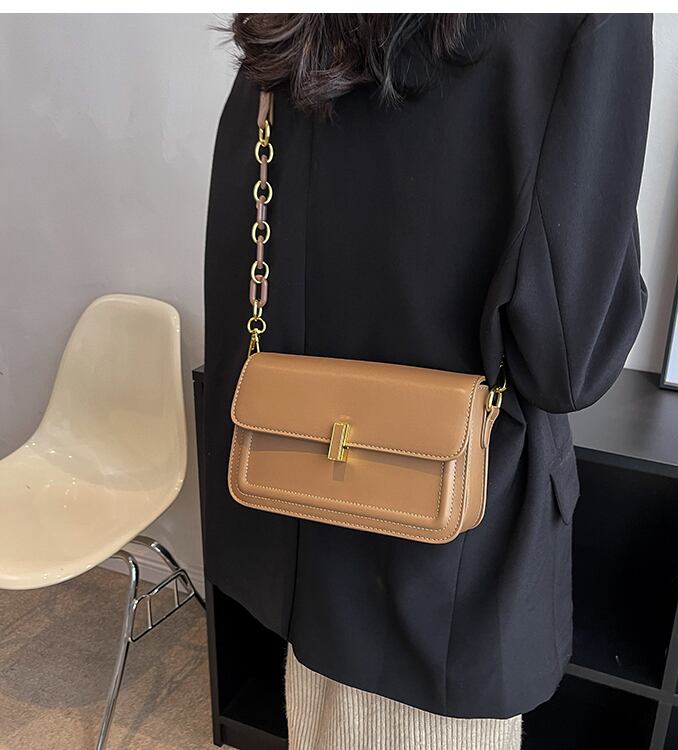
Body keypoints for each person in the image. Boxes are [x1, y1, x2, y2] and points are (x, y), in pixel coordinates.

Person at [203, 13, 653, 749]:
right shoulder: (583, 21)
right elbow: (570, 363)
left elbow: (246, 272)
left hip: (305, 523)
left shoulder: (296, 26)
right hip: (454, 559)